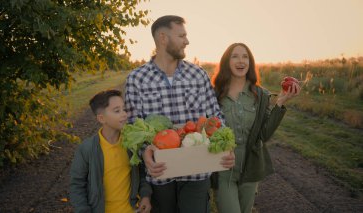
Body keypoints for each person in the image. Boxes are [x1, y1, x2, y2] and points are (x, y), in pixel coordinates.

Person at [124, 15, 235, 213]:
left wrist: (226, 146)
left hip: (196, 172)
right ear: (163, 37)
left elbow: (215, 115)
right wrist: (145, 154)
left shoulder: (197, 75)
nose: (187, 41)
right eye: (181, 35)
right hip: (161, 172)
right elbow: (132, 126)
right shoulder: (137, 79)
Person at [211, 43, 301, 213]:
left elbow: (264, 134)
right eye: (235, 56)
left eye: (245, 57)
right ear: (226, 62)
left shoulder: (260, 95)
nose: (240, 61)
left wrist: (280, 103)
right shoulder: (214, 94)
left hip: (250, 168)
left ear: (250, 63)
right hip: (223, 168)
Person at [70, 89, 152, 213]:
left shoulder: (131, 144)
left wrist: (145, 196)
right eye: (117, 111)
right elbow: (77, 185)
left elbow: (141, 174)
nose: (124, 114)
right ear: (102, 118)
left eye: (124, 109)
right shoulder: (87, 149)